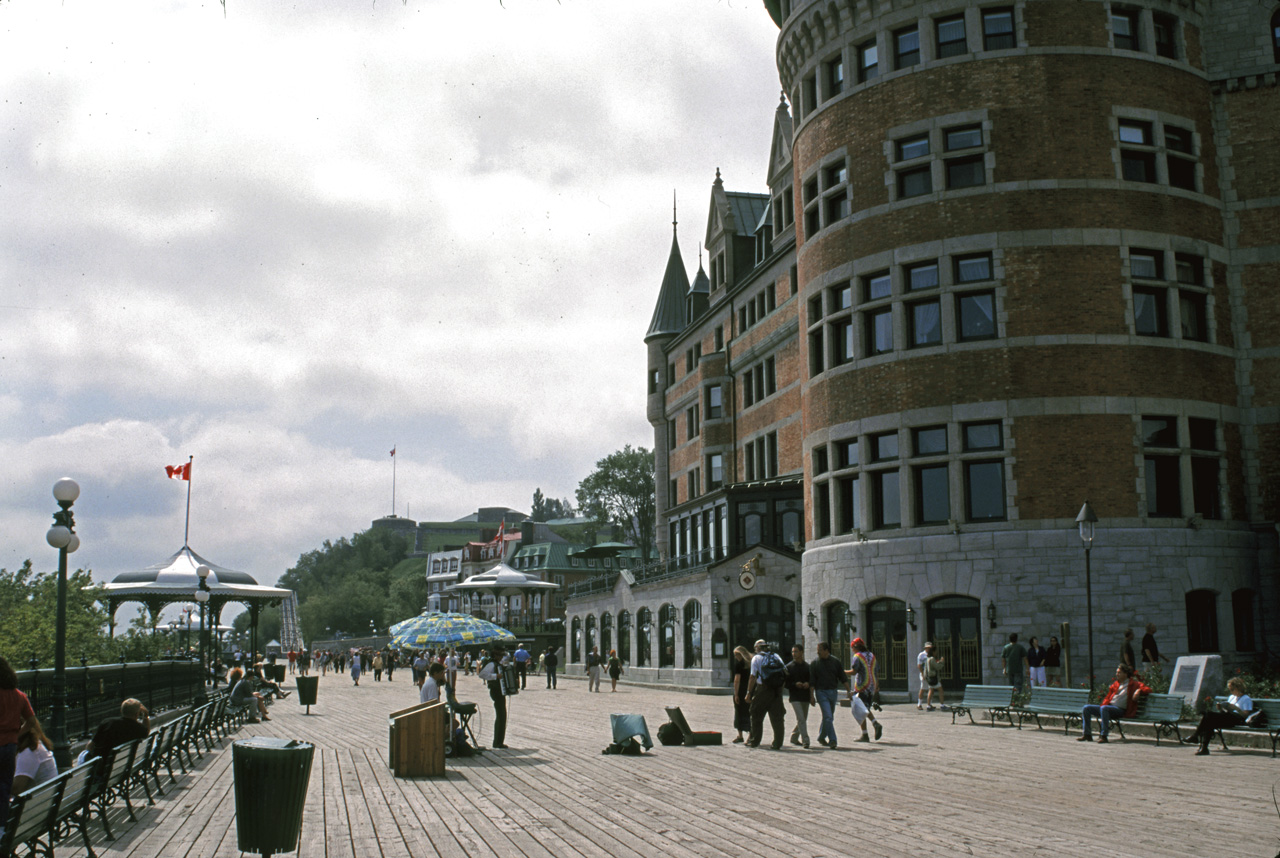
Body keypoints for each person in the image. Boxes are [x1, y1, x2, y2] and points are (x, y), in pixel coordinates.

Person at [1, 654, 36, 832]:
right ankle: (2, 828)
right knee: (4, 787)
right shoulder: (19, 696)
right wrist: (16, 734)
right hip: (9, 747)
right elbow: (31, 721)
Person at [1078, 664, 1151, 743]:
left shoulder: (1134, 684)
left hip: (1120, 710)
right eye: (1117, 672)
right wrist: (1103, 704)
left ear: (1125, 674)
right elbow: (1108, 697)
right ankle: (1087, 734)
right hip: (1108, 708)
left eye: (1119, 672)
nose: (1117, 674)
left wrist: (1138, 690)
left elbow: (1148, 689)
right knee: (1086, 708)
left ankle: (1104, 736)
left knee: (1104, 708)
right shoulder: (1116, 684)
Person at [1185, 677, 1253, 755]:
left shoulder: (1246, 699)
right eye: (1230, 689)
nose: (1231, 691)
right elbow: (1226, 711)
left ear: (1238, 688)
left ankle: (1196, 737)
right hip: (1228, 716)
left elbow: (1245, 715)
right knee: (1209, 720)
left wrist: (1236, 708)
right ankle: (1204, 748)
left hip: (1237, 719)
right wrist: (1221, 708)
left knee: (1209, 716)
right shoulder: (1232, 697)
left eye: (1232, 689)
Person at [746, 639, 786, 750]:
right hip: (776, 690)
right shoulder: (777, 657)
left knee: (756, 714)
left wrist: (749, 693)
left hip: (763, 689)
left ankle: (755, 741)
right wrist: (779, 690)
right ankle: (778, 743)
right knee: (777, 717)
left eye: (755, 648)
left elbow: (752, 677)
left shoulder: (756, 658)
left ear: (758, 648)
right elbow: (784, 673)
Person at [809, 641, 849, 749]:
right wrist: (811, 696)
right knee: (828, 716)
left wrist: (849, 691)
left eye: (820, 651)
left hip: (833, 692)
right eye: (817, 651)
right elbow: (812, 681)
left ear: (826, 651)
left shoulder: (835, 662)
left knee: (829, 717)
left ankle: (821, 736)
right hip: (821, 692)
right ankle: (833, 740)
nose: (818, 653)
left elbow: (842, 677)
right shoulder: (814, 663)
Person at [85, 697, 152, 759]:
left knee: (83, 755)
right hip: (124, 765)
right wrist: (146, 716)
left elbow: (90, 746)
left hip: (102, 766)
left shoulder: (107, 722)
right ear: (137, 714)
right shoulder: (138, 728)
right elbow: (146, 732)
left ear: (121, 711)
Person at [847, 638, 882, 742]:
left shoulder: (857, 656)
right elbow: (876, 671)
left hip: (862, 685)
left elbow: (854, 671)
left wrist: (841, 672)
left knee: (860, 708)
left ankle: (874, 724)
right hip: (871, 685)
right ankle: (865, 734)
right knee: (864, 708)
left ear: (855, 647)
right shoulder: (872, 655)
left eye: (852, 647)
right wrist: (877, 685)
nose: (852, 650)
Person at [11, 717, 57, 794]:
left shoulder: (29, 751)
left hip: (39, 803)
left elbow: (17, 789)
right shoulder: (36, 746)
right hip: (45, 800)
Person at [478, 646, 509, 749]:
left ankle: (499, 741)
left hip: (500, 691)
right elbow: (482, 674)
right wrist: (495, 676)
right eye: (499, 655)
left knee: (502, 715)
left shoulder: (498, 664)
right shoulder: (491, 664)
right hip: (495, 690)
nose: (501, 657)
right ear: (495, 655)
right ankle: (497, 742)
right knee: (501, 715)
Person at [785, 644, 814, 748]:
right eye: (793, 652)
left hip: (805, 696)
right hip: (795, 697)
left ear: (802, 652)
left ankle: (794, 737)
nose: (794, 654)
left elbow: (811, 681)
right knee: (801, 718)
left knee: (802, 719)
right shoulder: (789, 667)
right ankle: (806, 740)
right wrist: (794, 684)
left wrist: (808, 685)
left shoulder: (807, 667)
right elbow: (786, 683)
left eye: (796, 651)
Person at [731, 645, 753, 743]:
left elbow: (737, 680)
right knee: (749, 712)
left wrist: (736, 694)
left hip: (741, 691)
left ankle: (740, 735)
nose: (736, 657)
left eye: (737, 655)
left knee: (739, 712)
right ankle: (750, 734)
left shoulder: (739, 665)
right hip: (750, 690)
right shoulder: (751, 663)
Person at [918, 643, 946, 710]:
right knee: (940, 690)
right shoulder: (931, 658)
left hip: (929, 677)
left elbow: (926, 668)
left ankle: (928, 706)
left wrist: (925, 675)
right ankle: (942, 705)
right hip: (933, 677)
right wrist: (942, 662)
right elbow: (937, 667)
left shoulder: (928, 658)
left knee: (930, 690)